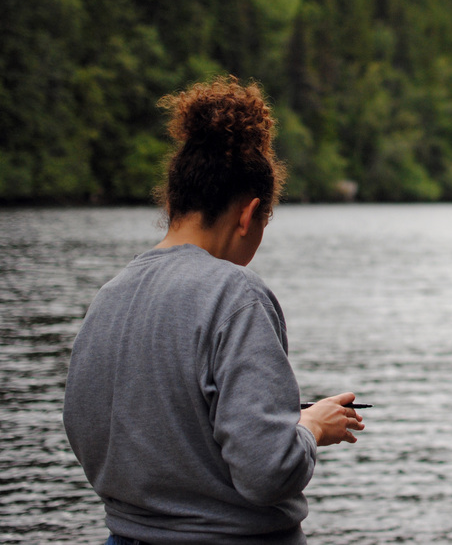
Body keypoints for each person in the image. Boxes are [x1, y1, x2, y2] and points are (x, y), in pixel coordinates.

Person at [62, 77, 364, 544]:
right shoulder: (235, 295)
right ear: (249, 214)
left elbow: (88, 430)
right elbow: (268, 471)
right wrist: (308, 427)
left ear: (175, 200)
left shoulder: (111, 294)